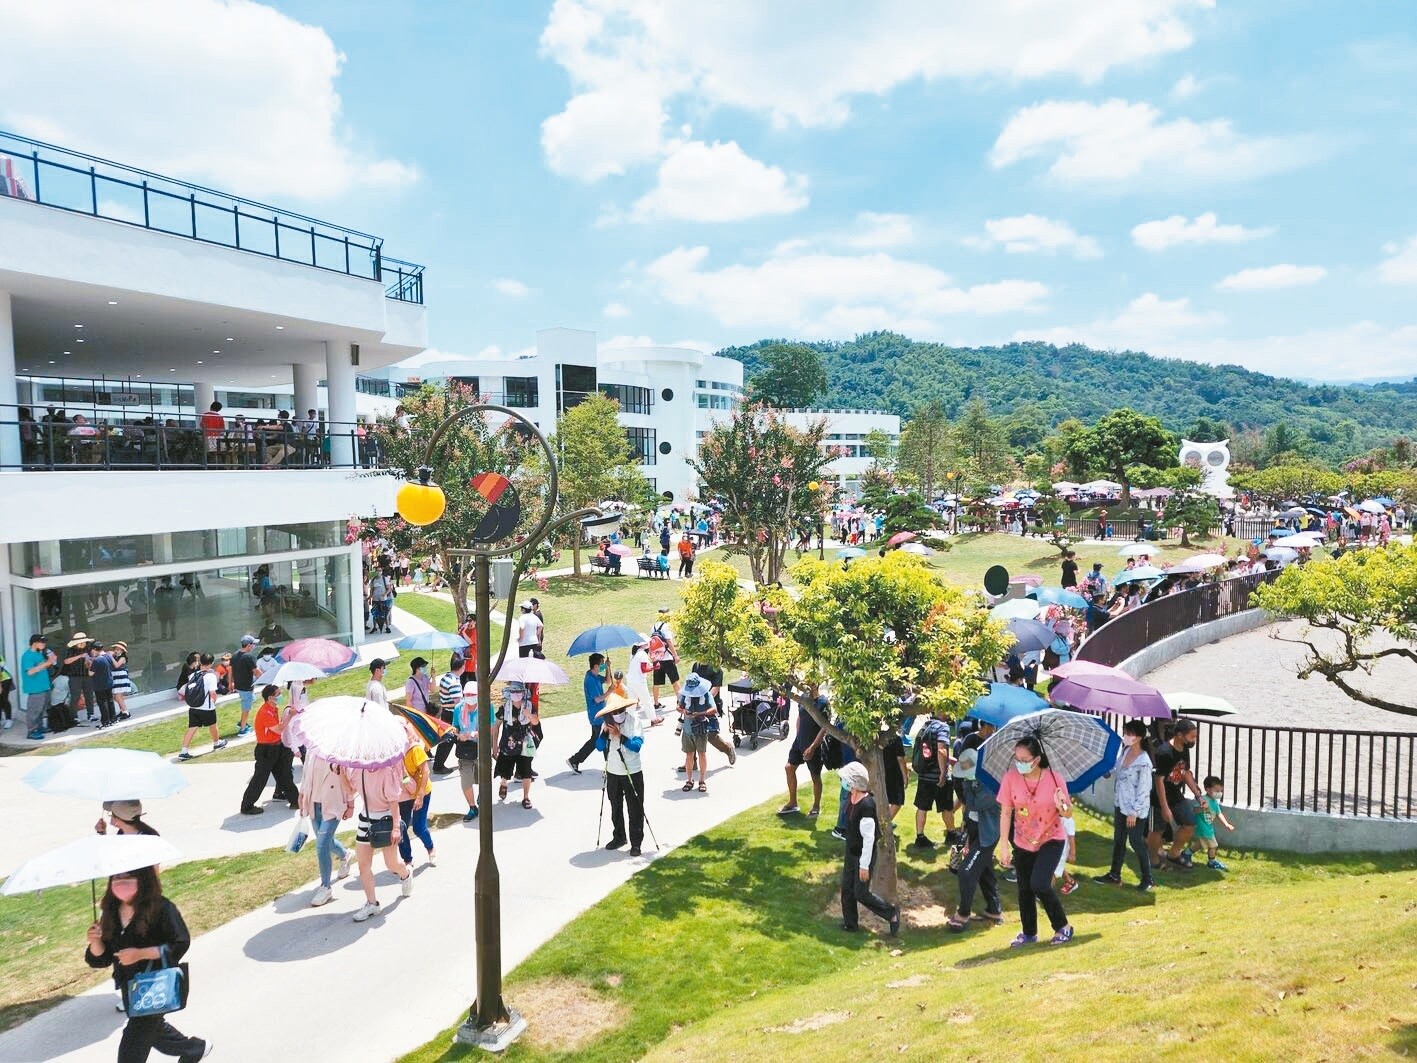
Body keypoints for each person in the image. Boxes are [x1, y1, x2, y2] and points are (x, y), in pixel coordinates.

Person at [85, 865, 213, 1061]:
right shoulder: (110, 912)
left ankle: (193, 1048)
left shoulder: (161, 907)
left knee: (135, 1038)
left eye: (128, 877)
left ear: (142, 879)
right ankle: (193, 1048)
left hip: (155, 983)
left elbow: (180, 942)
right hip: (130, 986)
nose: (120, 883)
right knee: (153, 1030)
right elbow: (103, 958)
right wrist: (95, 941)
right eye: (116, 878)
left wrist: (141, 954)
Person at [997, 735, 1075, 946]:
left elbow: (1068, 814)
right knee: (1024, 889)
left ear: (1037, 759)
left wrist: (1062, 806)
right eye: (1017, 759)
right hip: (1022, 842)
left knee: (1040, 883)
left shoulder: (1055, 779)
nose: (1020, 764)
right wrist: (1003, 846)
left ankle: (1063, 927)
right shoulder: (1010, 779)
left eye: (1025, 760)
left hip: (1051, 839)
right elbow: (1005, 813)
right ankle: (1029, 933)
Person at [342, 752, 414, 922]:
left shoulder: (387, 771)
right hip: (365, 820)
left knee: (391, 864)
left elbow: (393, 802)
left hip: (386, 820)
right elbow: (350, 791)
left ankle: (405, 874)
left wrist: (396, 827)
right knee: (363, 866)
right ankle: (372, 903)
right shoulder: (357, 770)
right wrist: (341, 774)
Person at [837, 762, 901, 936]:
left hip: (863, 856)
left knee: (861, 893)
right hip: (851, 852)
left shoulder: (866, 806)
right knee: (847, 889)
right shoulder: (851, 799)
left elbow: (869, 838)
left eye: (846, 780)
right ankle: (850, 924)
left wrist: (864, 866)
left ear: (855, 783)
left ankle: (891, 913)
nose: (843, 782)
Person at [945, 748, 1004, 931]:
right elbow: (969, 809)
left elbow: (974, 804)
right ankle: (994, 910)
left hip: (987, 836)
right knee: (984, 871)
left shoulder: (989, 785)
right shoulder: (972, 782)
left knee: (966, 872)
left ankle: (963, 914)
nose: (963, 777)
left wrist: (970, 785)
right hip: (975, 832)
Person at [1094, 719, 1155, 891]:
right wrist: (1107, 772)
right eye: (1125, 733)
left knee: (1136, 842)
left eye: (1129, 734)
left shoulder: (1144, 762)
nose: (1126, 736)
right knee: (1119, 840)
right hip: (1120, 804)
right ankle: (1114, 874)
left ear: (1139, 737)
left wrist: (1134, 813)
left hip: (1135, 810)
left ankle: (1147, 878)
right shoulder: (1126, 750)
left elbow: (1144, 790)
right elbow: (1117, 767)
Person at [299, 747, 353, 908]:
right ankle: (345, 854)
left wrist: (350, 804)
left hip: (334, 803)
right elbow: (306, 775)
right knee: (326, 842)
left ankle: (325, 887)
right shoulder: (312, 751)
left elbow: (348, 780)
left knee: (321, 845)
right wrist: (302, 795)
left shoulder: (340, 752)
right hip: (314, 804)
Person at [1149, 719, 1203, 870]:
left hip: (1175, 794)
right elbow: (1159, 781)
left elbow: (1185, 772)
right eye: (1192, 737)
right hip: (1159, 797)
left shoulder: (1184, 749)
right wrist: (1165, 807)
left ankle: (1173, 853)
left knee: (1190, 823)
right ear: (1179, 735)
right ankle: (1153, 861)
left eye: (1195, 736)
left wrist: (1198, 795)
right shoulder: (1164, 752)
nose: (1194, 740)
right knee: (1157, 830)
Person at [600, 692, 646, 856]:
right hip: (613, 771)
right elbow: (599, 746)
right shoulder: (607, 724)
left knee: (635, 808)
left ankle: (636, 843)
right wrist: (606, 733)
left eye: (620, 711)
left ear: (625, 709)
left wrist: (621, 736)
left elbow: (637, 746)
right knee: (615, 806)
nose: (617, 715)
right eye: (614, 712)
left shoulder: (634, 722)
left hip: (632, 771)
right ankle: (619, 837)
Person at [240, 685, 296, 815]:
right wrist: (290, 716)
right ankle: (247, 806)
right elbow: (279, 729)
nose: (280, 695)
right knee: (260, 779)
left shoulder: (273, 709)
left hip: (277, 746)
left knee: (284, 774)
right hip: (266, 750)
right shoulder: (265, 712)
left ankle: (295, 800)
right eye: (278, 693)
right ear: (270, 697)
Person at [908, 708, 957, 849]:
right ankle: (951, 834)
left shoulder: (926, 725)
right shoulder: (943, 727)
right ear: (942, 712)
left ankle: (920, 837)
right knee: (946, 807)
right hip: (937, 776)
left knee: (922, 807)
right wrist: (943, 773)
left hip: (924, 774)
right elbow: (941, 750)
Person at [397, 721, 437, 869]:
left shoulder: (415, 749)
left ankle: (430, 848)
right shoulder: (394, 752)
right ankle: (407, 859)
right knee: (401, 827)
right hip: (404, 794)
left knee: (419, 827)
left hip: (422, 791)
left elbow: (425, 771)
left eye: (404, 731)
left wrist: (420, 795)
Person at [495, 683, 540, 809]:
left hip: (525, 743)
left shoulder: (529, 706)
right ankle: (504, 783)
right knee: (506, 768)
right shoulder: (505, 708)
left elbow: (536, 721)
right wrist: (494, 745)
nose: (516, 694)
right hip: (508, 743)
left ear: (523, 693)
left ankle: (526, 797)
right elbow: (496, 726)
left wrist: (528, 715)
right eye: (513, 692)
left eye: (518, 691)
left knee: (526, 770)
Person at [778, 696, 825, 817]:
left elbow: (825, 727)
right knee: (789, 768)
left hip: (814, 745)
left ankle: (816, 806)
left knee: (815, 777)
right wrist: (798, 735)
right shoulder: (803, 698)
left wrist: (813, 747)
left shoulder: (823, 703)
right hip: (799, 741)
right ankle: (793, 803)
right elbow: (799, 716)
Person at [177, 654, 225, 761]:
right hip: (206, 707)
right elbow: (213, 693)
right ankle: (217, 743)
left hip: (193, 707)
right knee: (213, 725)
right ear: (211, 663)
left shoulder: (193, 675)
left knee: (192, 728)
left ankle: (183, 751)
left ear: (200, 663)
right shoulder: (211, 676)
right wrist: (213, 702)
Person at [567, 653, 609, 774]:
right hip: (597, 716)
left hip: (600, 714)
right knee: (604, 740)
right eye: (602, 663)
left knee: (595, 740)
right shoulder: (590, 680)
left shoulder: (594, 676)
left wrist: (608, 668)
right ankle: (609, 768)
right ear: (596, 665)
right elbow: (597, 699)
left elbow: (607, 680)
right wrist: (609, 692)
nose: (603, 665)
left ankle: (575, 760)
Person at [678, 673, 718, 794]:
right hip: (687, 729)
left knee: (702, 754)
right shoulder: (685, 694)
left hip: (701, 729)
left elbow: (714, 709)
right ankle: (689, 780)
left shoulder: (706, 694)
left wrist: (698, 714)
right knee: (688, 755)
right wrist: (684, 710)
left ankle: (702, 781)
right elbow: (679, 707)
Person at [1191, 775, 1237, 870]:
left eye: (1221, 791)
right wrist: (1201, 808)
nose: (1219, 793)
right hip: (1203, 827)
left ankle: (1186, 854)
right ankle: (1211, 862)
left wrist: (1226, 824)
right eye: (1217, 791)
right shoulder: (1203, 800)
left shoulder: (1214, 802)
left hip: (1208, 827)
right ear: (1208, 790)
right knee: (1213, 845)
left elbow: (1219, 814)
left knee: (1200, 844)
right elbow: (1194, 810)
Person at [431, 653, 464, 776]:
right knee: (450, 740)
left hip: (446, 713)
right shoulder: (454, 683)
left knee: (451, 740)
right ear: (461, 667)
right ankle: (439, 766)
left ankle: (463, 760)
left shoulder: (446, 678)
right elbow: (458, 704)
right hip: (452, 715)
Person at [453, 683, 481, 822]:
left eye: (472, 695)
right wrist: (460, 736)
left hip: (481, 749)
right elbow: (455, 728)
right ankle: (472, 807)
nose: (469, 697)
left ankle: (483, 798)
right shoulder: (458, 708)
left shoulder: (485, 707)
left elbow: (491, 728)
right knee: (466, 781)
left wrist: (477, 734)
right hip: (465, 750)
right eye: (467, 695)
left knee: (482, 778)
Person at [21, 633, 56, 740]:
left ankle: (39, 727)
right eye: (42, 642)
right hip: (35, 688)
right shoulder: (27, 655)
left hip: (44, 686)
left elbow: (46, 665)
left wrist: (51, 659)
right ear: (34, 643)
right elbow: (30, 672)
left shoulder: (39, 653)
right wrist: (46, 663)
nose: (44, 644)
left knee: (41, 709)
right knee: (34, 710)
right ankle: (31, 731)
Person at [648, 607, 681, 710]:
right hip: (667, 658)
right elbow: (669, 642)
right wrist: (675, 655)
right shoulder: (666, 626)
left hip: (657, 659)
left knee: (656, 682)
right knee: (675, 680)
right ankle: (680, 701)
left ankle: (656, 703)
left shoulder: (653, 627)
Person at [64, 632, 96, 726]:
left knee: (89, 695)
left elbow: (93, 659)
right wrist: (79, 656)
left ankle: (91, 714)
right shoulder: (71, 650)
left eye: (83, 642)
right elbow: (66, 661)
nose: (82, 644)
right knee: (75, 697)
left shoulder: (89, 648)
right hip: (75, 677)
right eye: (80, 642)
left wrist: (90, 659)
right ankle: (74, 717)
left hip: (87, 676)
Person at [230, 635, 258, 737]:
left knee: (251, 700)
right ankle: (242, 729)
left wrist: (230, 683)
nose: (254, 646)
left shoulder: (235, 655)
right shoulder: (249, 657)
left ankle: (242, 722)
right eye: (253, 644)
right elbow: (256, 671)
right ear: (249, 645)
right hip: (246, 687)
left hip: (239, 686)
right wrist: (266, 679)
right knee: (246, 709)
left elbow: (230, 670)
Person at [95, 799, 161, 837]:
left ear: (117, 820)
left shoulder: (148, 840)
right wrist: (101, 833)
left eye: (112, 814)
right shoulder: (122, 832)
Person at [111, 641, 134, 722]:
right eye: (115, 649)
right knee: (117, 696)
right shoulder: (115, 657)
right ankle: (122, 711)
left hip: (121, 678)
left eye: (118, 649)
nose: (116, 651)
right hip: (116, 678)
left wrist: (110, 657)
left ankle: (126, 713)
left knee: (118, 696)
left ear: (122, 651)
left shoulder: (123, 658)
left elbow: (117, 665)